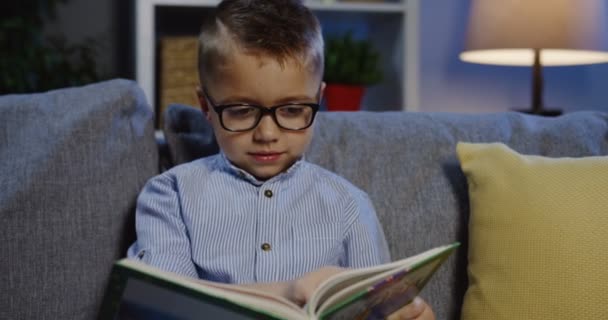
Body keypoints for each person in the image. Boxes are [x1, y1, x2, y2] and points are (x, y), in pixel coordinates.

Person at [127, 0, 434, 318]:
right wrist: (288, 293)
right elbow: (163, 306)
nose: (267, 133)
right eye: (242, 111)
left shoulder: (349, 205)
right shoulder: (170, 195)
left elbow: (377, 306)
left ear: (318, 100)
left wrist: (408, 314)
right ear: (206, 107)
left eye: (291, 110)